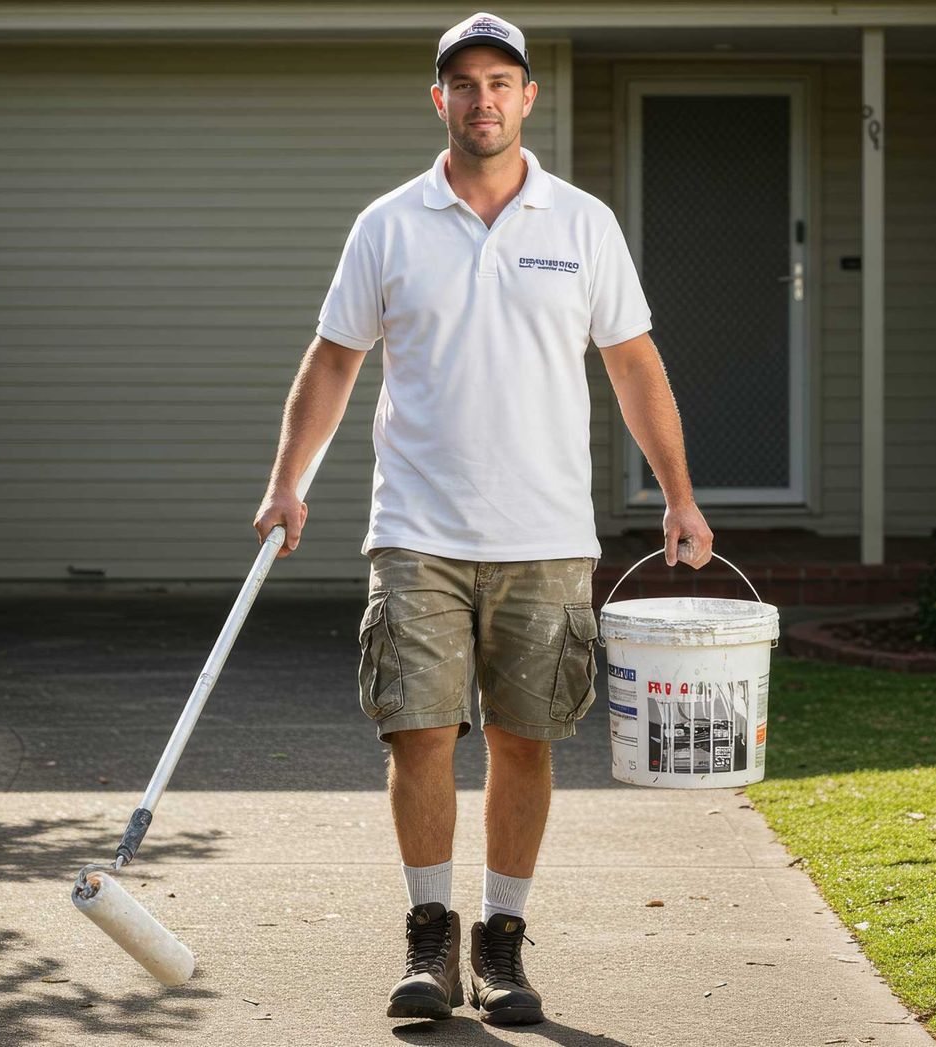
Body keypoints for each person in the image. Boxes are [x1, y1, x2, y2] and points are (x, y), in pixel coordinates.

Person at [252, 10, 712, 1027]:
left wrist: (678, 493)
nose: (483, 98)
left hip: (545, 538)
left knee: (525, 742)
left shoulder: (581, 223)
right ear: (439, 100)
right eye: (464, 82)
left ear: (528, 99)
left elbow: (633, 364)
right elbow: (335, 360)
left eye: (501, 81)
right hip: (416, 531)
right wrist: (290, 480)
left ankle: (501, 944)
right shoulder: (389, 224)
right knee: (417, 735)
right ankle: (431, 939)